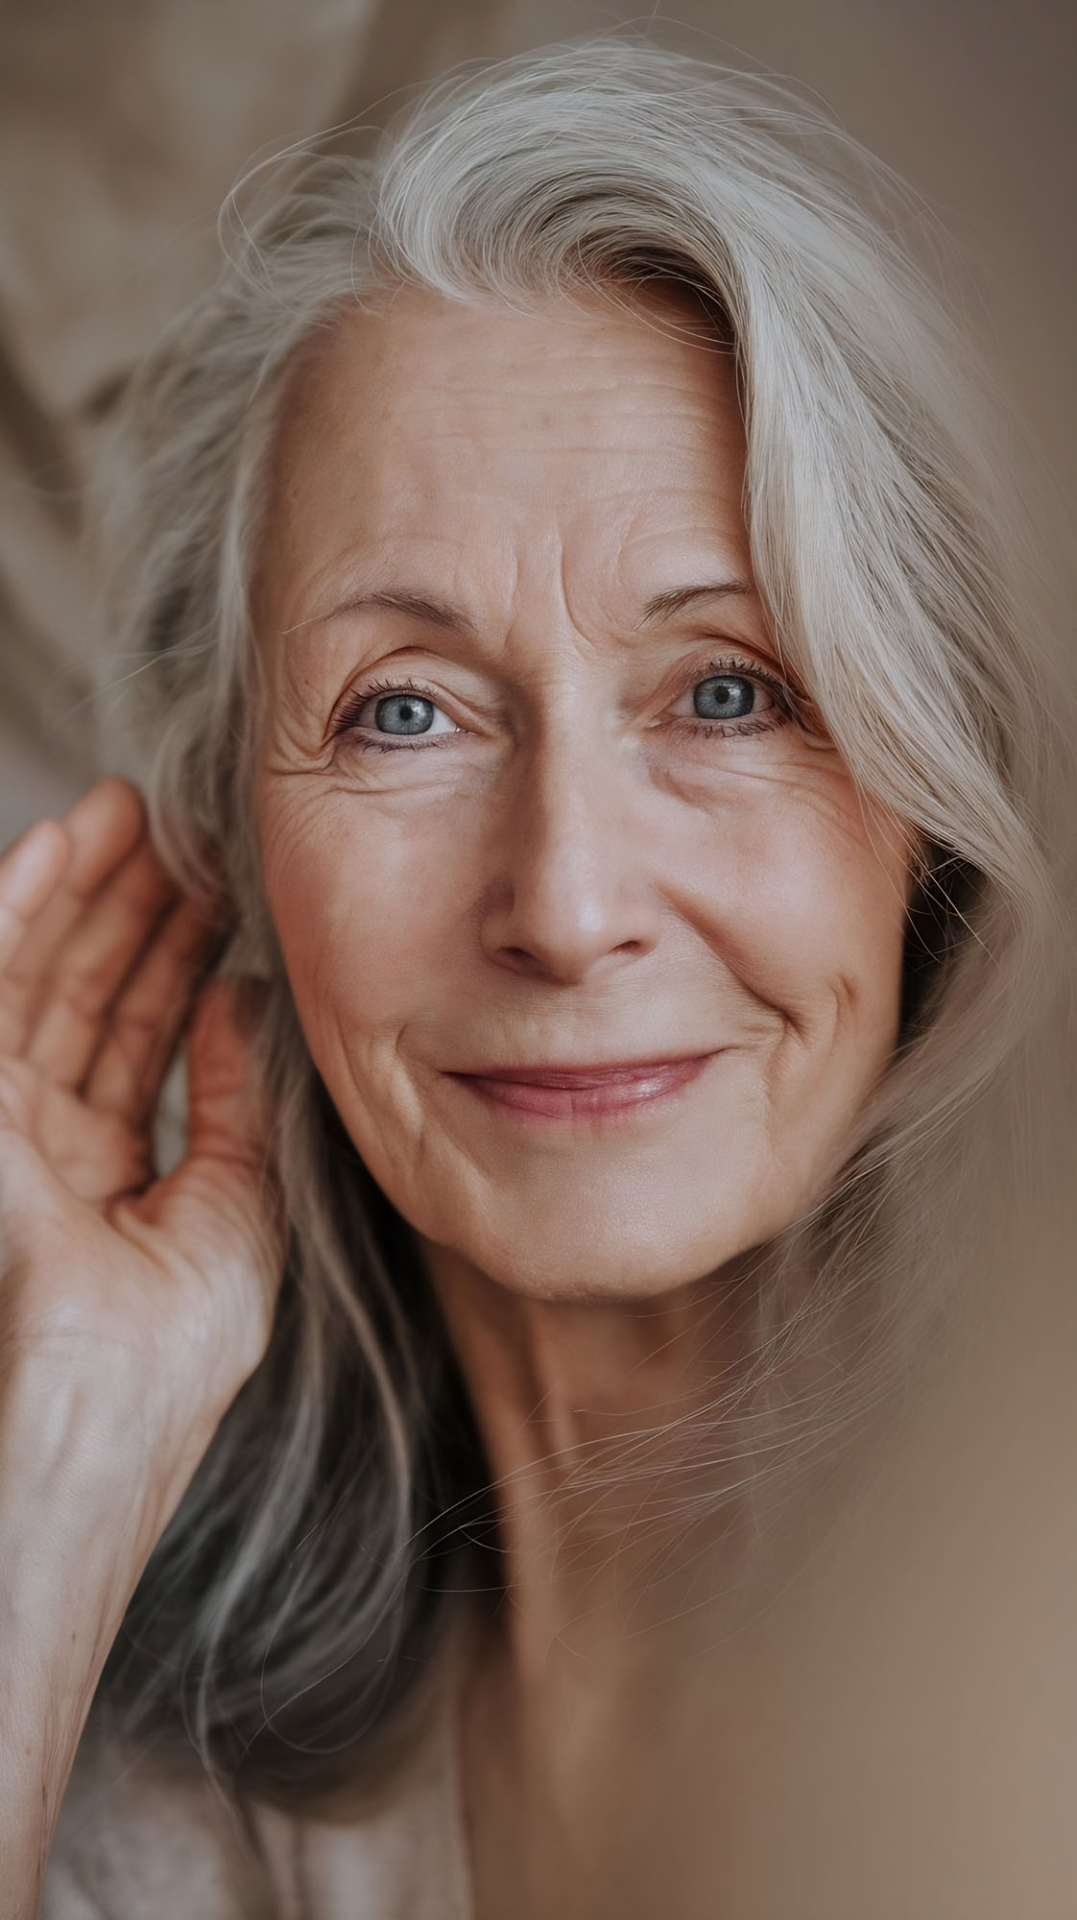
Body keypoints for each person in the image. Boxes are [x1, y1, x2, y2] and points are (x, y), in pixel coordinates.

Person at [1, 36, 1072, 1920]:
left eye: (729, 690)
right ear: (238, 854)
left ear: (934, 808)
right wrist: (69, 1448)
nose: (566, 906)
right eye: (401, 711)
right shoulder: (148, 1788)